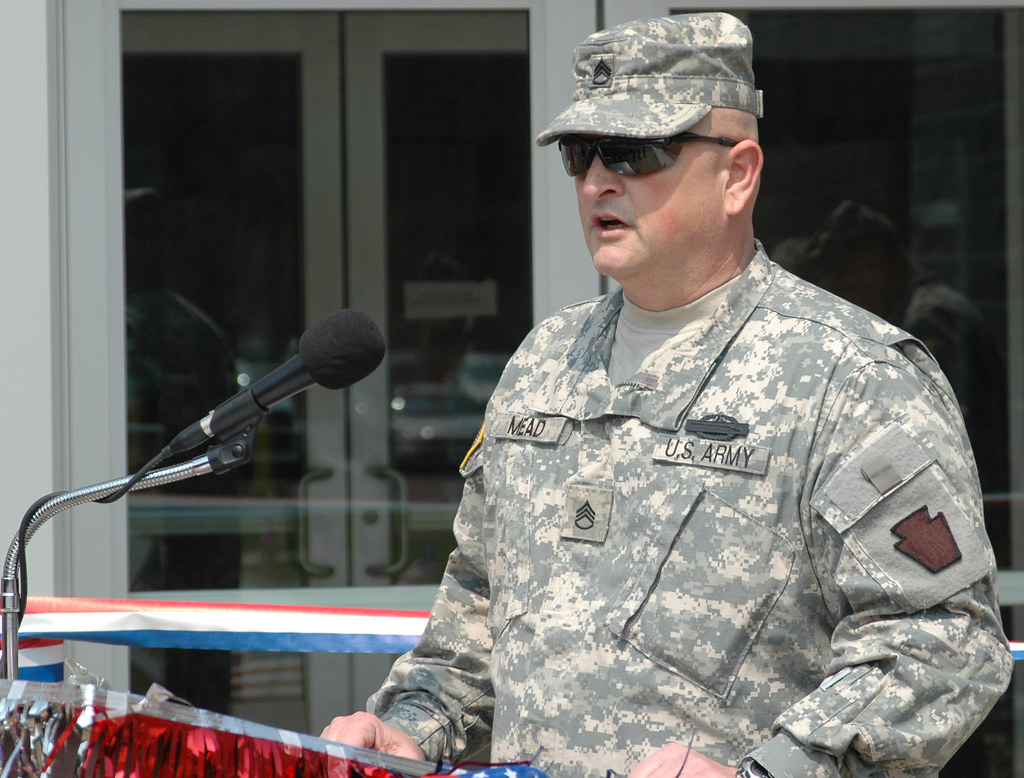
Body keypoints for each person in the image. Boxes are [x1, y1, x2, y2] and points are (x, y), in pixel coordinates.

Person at [321, 13, 1011, 778]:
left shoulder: (849, 376)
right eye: (582, 154)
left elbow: (942, 639)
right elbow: (478, 615)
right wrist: (409, 730)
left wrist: (770, 774)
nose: (596, 181)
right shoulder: (543, 361)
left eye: (634, 151)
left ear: (738, 174)